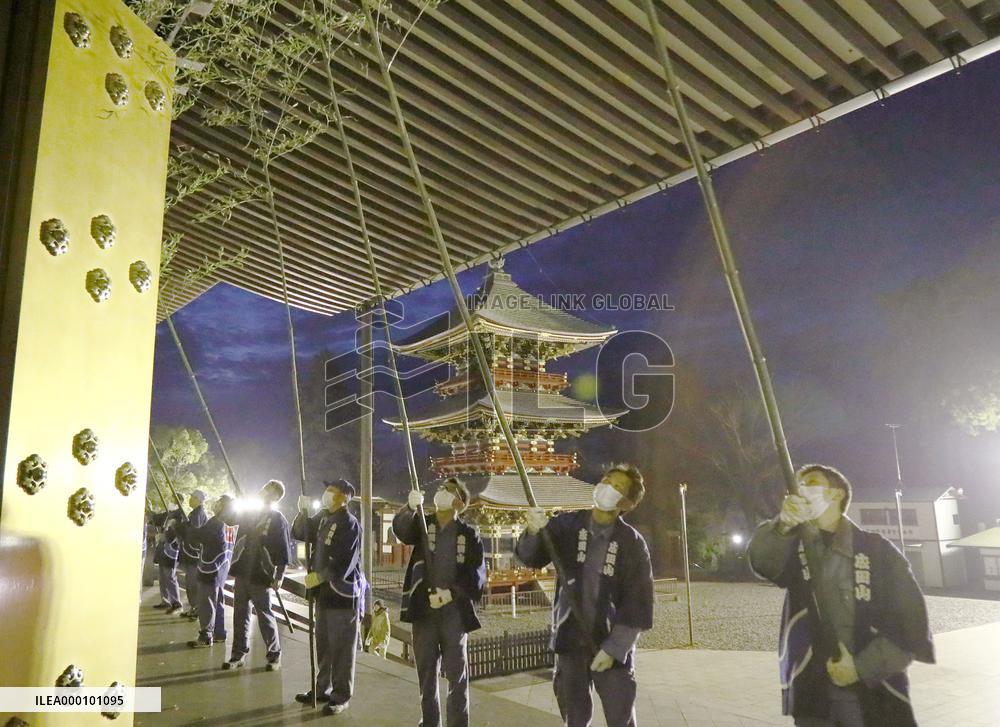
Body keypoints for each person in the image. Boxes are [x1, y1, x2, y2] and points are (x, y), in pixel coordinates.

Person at [748, 464, 935, 727]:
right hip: (813, 693)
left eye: (810, 482)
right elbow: (762, 563)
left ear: (836, 495)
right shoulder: (793, 545)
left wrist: (860, 668)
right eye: (796, 485)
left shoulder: (878, 551)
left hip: (874, 693)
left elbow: (912, 623)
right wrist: (782, 526)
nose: (800, 489)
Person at [516, 463, 653, 727]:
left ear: (627, 503)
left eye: (617, 487)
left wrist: (615, 649)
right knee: (574, 717)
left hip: (610, 644)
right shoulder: (567, 525)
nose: (607, 488)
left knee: (620, 716)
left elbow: (638, 601)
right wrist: (533, 531)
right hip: (570, 639)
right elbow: (532, 557)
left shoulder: (632, 543)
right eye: (606, 480)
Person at [393, 477, 486, 727]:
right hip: (424, 611)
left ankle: (458, 723)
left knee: (456, 673)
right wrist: (410, 508)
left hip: (454, 613)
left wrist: (451, 593)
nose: (441, 492)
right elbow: (402, 532)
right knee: (426, 671)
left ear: (459, 502)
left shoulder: (469, 534)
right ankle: (430, 721)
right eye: (441, 488)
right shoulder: (424, 524)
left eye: (448, 490)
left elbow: (476, 573)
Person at [292, 479, 365, 716]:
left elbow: (345, 560)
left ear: (344, 497)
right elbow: (301, 533)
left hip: (342, 593)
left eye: (332, 490)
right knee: (323, 644)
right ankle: (322, 688)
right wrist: (302, 513)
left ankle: (341, 695)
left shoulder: (349, 523)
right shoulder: (323, 517)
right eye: (327, 489)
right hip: (323, 594)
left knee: (342, 648)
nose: (327, 493)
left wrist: (321, 576)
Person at [224, 480, 295, 671]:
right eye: (263, 488)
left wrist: (279, 575)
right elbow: (231, 520)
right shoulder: (251, 513)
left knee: (265, 615)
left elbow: (283, 549)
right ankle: (237, 654)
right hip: (243, 570)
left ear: (275, 495)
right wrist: (235, 504)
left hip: (261, 573)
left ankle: (274, 655)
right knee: (240, 614)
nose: (262, 491)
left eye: (267, 489)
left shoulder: (277, 519)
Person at [181, 494, 236, 648]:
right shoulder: (233, 524)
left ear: (223, 506)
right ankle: (219, 633)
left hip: (210, 567)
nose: (216, 504)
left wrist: (188, 528)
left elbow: (199, 537)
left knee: (207, 602)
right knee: (218, 601)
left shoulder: (217, 523)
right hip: (222, 568)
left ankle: (206, 635)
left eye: (219, 503)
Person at [178, 489, 209, 620]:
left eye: (192, 497)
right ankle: (193, 607)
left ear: (198, 499)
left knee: (192, 584)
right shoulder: (195, 513)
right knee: (190, 583)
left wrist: (182, 528)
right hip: (191, 555)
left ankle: (196, 609)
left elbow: (193, 534)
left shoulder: (198, 514)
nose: (190, 499)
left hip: (193, 556)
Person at [150, 503, 184, 613]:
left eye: (174, 501)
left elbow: (174, 534)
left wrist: (165, 536)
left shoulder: (180, 517)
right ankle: (165, 600)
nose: (170, 503)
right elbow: (155, 518)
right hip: (162, 550)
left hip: (171, 552)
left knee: (170, 577)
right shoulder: (168, 515)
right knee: (162, 577)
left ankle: (176, 602)